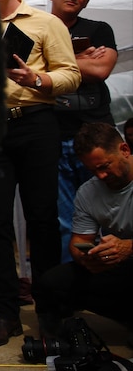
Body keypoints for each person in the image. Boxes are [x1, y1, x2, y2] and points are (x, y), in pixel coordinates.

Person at [0, 0, 81, 347]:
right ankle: (5, 314)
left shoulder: (45, 23)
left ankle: (50, 314)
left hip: (36, 123)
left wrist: (38, 78)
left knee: (43, 220)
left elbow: (72, 73)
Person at [34, 122, 133, 334]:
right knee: (52, 283)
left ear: (124, 150)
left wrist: (128, 247)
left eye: (105, 166)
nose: (100, 176)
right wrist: (89, 255)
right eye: (92, 170)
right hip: (121, 268)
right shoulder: (88, 192)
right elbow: (79, 241)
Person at [49, 0, 118, 262]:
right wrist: (80, 60)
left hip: (98, 140)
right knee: (66, 222)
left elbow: (101, 70)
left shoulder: (99, 29)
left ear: (87, 0)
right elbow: (24, 74)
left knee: (112, 217)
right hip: (55, 137)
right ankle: (73, 293)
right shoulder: (37, 30)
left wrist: (53, 64)